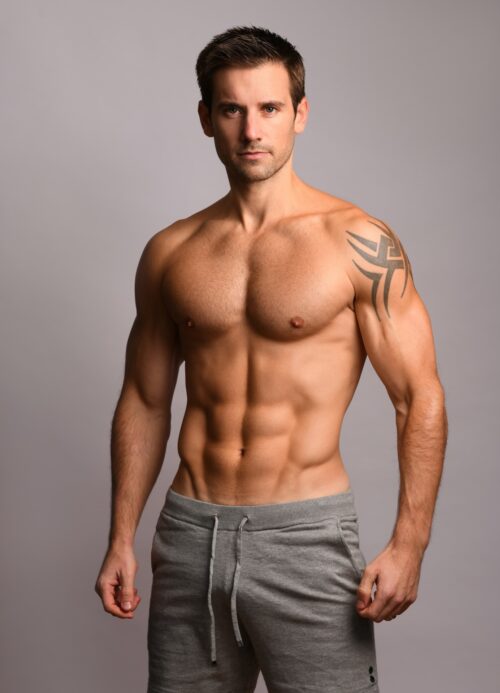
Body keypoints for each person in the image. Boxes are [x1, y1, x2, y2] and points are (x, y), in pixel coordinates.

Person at [94, 24, 448, 693]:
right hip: (190, 534)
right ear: (206, 118)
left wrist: (411, 542)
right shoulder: (172, 252)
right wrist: (120, 536)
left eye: (270, 108)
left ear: (300, 114)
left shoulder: (358, 242)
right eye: (232, 109)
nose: (251, 130)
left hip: (305, 539)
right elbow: (144, 398)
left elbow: (418, 395)